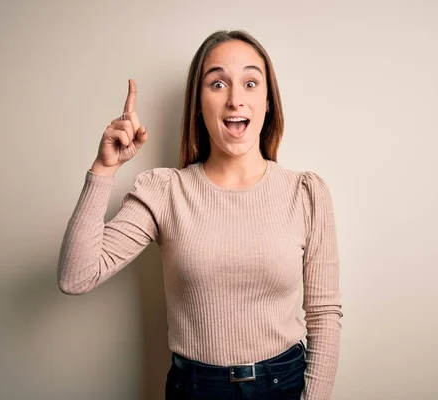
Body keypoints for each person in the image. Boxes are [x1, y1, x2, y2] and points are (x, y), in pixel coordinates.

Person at [58, 30, 343, 400]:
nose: (235, 99)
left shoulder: (306, 192)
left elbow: (324, 315)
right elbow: (76, 276)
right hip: (194, 389)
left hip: (283, 384)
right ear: (198, 103)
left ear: (268, 101)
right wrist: (104, 168)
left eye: (251, 83)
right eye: (218, 83)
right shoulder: (164, 191)